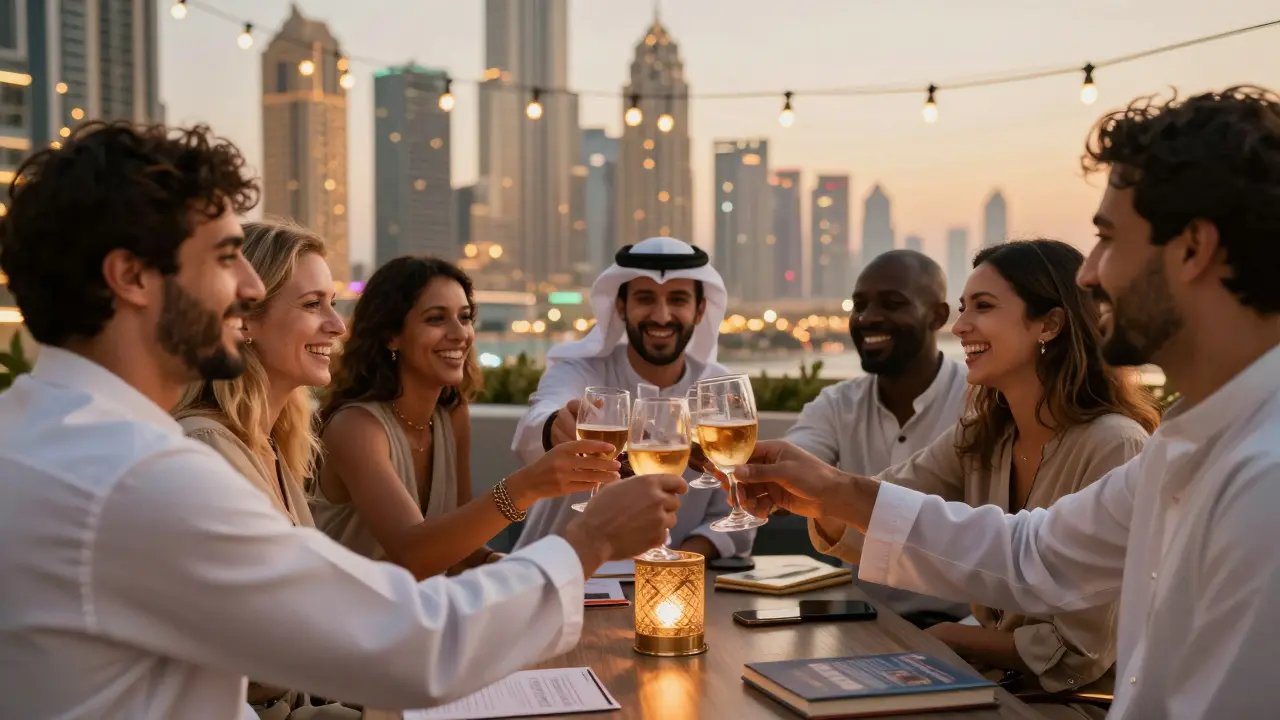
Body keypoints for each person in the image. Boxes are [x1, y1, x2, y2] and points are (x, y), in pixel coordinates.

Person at [0, 121, 686, 720]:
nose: (246, 288)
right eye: (224, 258)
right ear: (131, 277)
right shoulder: (139, 476)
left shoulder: (42, 434)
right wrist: (590, 539)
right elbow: (411, 643)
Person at [732, 86, 1280, 719]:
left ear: (1193, 248)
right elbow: (1031, 553)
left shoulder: (1261, 479)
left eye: (1107, 240)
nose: (1089, 274)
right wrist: (829, 490)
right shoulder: (1187, 444)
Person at [816, 239, 1158, 718]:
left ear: (1049, 324)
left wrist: (952, 639)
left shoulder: (1115, 444)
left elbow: (1083, 650)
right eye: (962, 308)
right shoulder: (982, 437)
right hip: (989, 684)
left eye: (983, 306)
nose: (960, 327)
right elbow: (886, 505)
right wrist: (809, 494)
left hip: (1073, 702)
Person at [312, 256, 620, 579]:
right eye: (436, 319)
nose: (460, 334)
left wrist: (524, 571)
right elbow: (413, 555)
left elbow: (458, 551)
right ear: (391, 335)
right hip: (351, 610)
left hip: (423, 607)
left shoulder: (450, 416)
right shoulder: (355, 428)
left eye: (465, 317)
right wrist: (527, 486)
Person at [172, 219, 356, 718]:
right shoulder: (208, 448)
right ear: (245, 319)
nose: (337, 325)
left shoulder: (272, 445)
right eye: (312, 304)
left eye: (333, 303)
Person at [511, 237, 755, 561]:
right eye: (645, 299)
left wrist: (670, 568)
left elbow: (735, 516)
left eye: (678, 300)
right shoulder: (580, 371)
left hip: (671, 584)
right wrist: (555, 426)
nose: (662, 316)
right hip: (558, 575)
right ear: (621, 307)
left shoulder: (715, 387)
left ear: (699, 311)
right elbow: (533, 427)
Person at [786, 249, 971, 627]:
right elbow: (795, 460)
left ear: (938, 316)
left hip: (966, 633)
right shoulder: (837, 404)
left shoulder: (979, 401)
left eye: (892, 304)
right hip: (860, 625)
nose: (868, 318)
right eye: (859, 305)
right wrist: (755, 469)